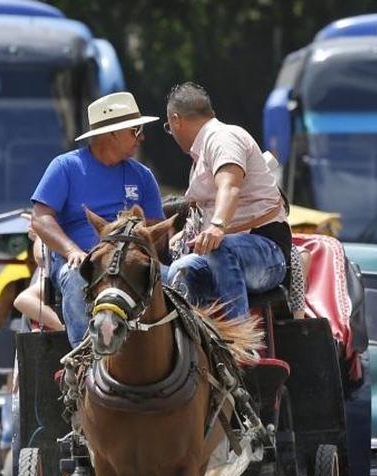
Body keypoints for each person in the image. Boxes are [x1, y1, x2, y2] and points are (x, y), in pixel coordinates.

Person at [28, 91, 163, 345]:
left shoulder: (143, 176)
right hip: (83, 262)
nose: (141, 137)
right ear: (112, 134)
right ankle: (85, 358)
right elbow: (40, 218)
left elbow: (156, 228)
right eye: (135, 130)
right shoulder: (66, 166)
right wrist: (71, 251)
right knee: (78, 278)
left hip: (131, 262)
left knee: (178, 279)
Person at [161, 82, 289, 320]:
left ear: (176, 120)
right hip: (221, 255)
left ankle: (237, 340)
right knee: (179, 270)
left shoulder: (223, 137)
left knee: (221, 247)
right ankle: (198, 346)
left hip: (267, 255)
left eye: (169, 127)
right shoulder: (200, 157)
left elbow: (229, 187)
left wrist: (217, 226)